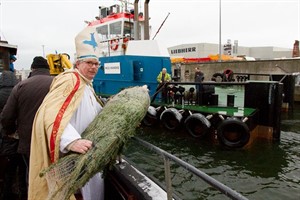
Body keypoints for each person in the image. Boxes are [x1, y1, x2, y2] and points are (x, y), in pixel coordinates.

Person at [28, 26, 105, 200]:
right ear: (78, 63)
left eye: (96, 64)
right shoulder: (70, 79)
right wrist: (71, 141)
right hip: (74, 155)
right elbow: (51, 113)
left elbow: (94, 110)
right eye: (89, 63)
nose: (93, 67)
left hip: (89, 152)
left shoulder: (87, 85)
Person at [1, 56, 54, 199]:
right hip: (54, 140)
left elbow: (6, 116)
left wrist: (10, 132)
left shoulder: (21, 86)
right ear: (48, 69)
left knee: (32, 174)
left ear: (32, 68)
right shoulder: (57, 84)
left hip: (28, 141)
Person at [0, 70, 21, 200]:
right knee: (17, 165)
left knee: (5, 165)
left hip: (4, 133)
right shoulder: (18, 91)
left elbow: (6, 116)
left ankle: (5, 191)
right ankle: (17, 190)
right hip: (17, 134)